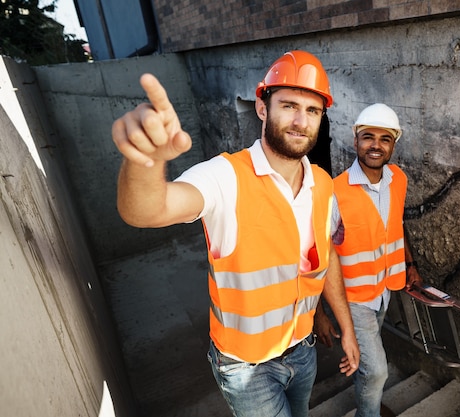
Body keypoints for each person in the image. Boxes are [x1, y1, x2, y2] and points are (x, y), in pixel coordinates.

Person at [111, 50, 360, 417]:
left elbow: (327, 256)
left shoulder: (322, 184)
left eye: (312, 111)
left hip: (302, 350)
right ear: (262, 107)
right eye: (289, 105)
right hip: (247, 369)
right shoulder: (225, 177)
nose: (300, 121)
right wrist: (144, 161)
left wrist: (346, 328)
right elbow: (148, 210)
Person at [313, 103, 422, 417]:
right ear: (355, 140)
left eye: (384, 139)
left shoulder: (398, 179)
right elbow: (317, 256)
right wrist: (317, 314)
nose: (376, 145)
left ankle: (369, 403)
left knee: (366, 364)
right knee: (376, 371)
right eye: (368, 137)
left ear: (393, 144)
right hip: (352, 299)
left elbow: (395, 225)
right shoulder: (334, 193)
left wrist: (410, 266)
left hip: (385, 290)